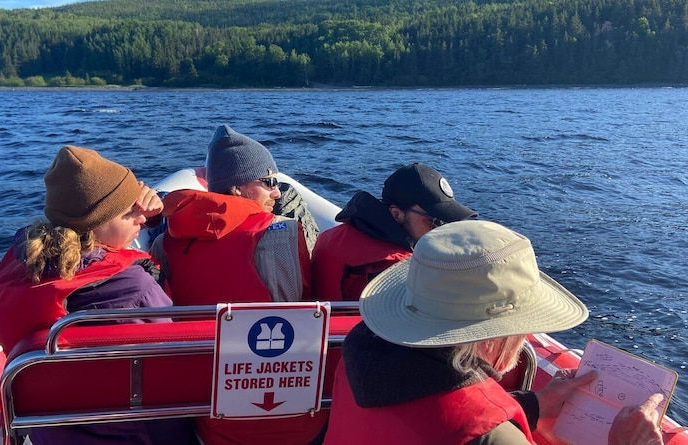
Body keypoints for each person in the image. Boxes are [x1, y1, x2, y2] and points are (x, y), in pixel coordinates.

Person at [323, 220, 664, 445]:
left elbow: (425, 412)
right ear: (495, 335)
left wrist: (533, 405)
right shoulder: (490, 435)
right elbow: (462, 424)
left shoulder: (360, 355)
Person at [0, 145, 192, 445]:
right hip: (137, 433)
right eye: (130, 212)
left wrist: (144, 217)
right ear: (95, 226)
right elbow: (180, 362)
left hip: (52, 432)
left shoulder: (16, 269)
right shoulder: (134, 288)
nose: (140, 218)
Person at [150, 125, 324, 445]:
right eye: (269, 182)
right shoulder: (281, 234)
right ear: (237, 189)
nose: (277, 193)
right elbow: (298, 316)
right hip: (289, 420)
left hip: (210, 416)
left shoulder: (165, 242)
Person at [311, 162, 477, 301]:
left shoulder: (332, 236)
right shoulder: (391, 269)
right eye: (435, 222)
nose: (442, 231)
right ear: (396, 214)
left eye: (448, 222)